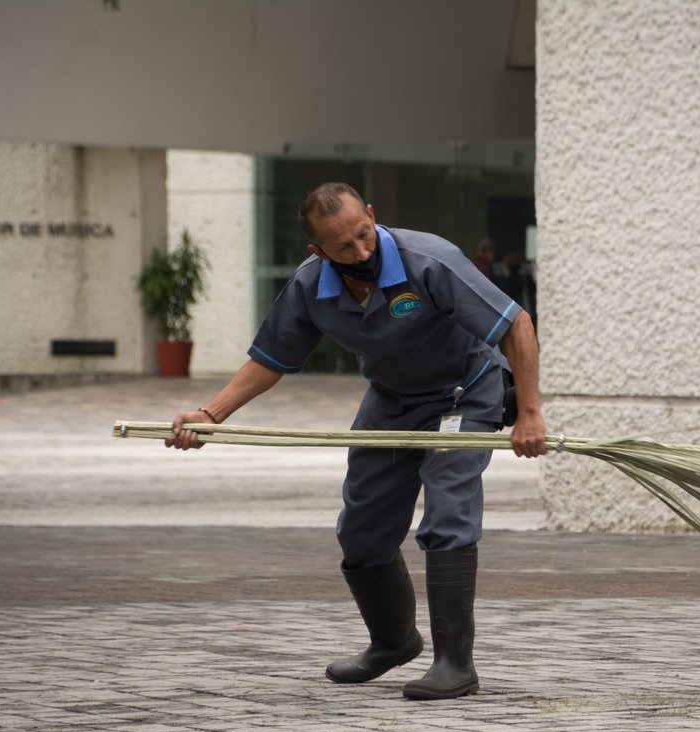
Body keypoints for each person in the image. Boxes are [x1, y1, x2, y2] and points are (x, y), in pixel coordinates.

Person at [165, 182, 546, 700]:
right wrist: (210, 416)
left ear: (371, 214)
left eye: (365, 235)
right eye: (344, 247)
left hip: (463, 394)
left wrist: (528, 414)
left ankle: (455, 663)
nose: (361, 252)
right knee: (361, 527)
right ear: (318, 251)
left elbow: (516, 324)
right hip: (390, 398)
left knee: (447, 505)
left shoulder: (428, 259)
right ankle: (392, 640)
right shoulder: (310, 285)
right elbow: (271, 358)